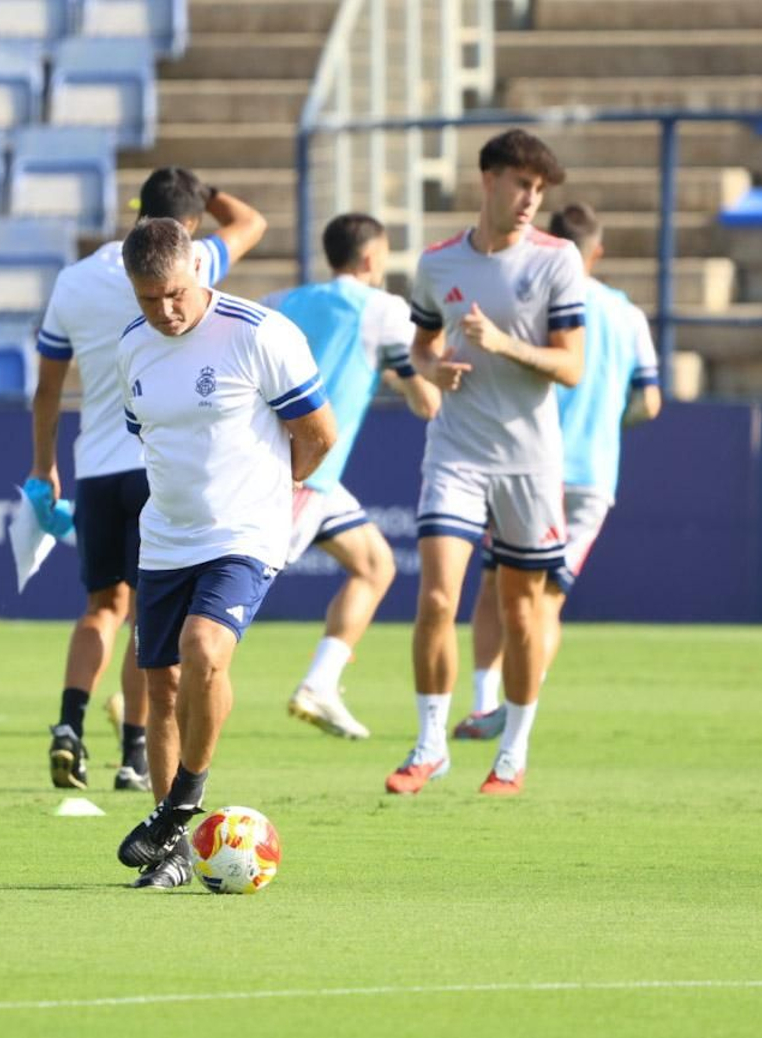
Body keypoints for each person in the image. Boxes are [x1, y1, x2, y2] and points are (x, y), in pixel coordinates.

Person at [113, 218, 336, 887]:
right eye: (149, 299)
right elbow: (148, 436)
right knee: (162, 687)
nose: (166, 310)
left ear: (199, 272)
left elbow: (318, 433)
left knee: (204, 648)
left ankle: (182, 803)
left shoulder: (258, 333)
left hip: (244, 533)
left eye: (176, 294)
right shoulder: (132, 349)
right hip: (164, 539)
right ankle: (173, 845)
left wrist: (278, 489)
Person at [31, 167, 266, 796]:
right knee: (149, 626)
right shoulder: (195, 263)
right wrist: (209, 188)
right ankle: (136, 752)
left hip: (98, 467)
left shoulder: (74, 279)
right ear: (186, 228)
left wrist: (42, 465)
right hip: (166, 465)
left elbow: (49, 385)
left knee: (100, 609)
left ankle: (69, 723)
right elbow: (252, 224)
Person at [395, 129, 586, 798]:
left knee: (523, 614)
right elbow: (418, 347)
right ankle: (428, 746)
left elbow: (572, 366)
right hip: (456, 452)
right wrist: (433, 368)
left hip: (529, 463)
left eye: (540, 189)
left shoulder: (557, 261)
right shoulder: (438, 264)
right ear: (489, 181)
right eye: (522, 185)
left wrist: (504, 344)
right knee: (437, 597)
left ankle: (512, 753)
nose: (532, 199)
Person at [454, 202, 662, 739]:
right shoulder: (627, 314)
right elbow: (650, 402)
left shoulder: (532, 297)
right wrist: (610, 422)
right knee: (546, 599)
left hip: (523, 465)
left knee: (497, 584)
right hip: (592, 474)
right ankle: (518, 712)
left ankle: (484, 703)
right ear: (597, 252)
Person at [269, 214, 440, 740]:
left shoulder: (282, 302)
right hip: (298, 478)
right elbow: (425, 401)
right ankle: (143, 693)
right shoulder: (384, 309)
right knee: (229, 598)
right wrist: (427, 384)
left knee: (376, 564)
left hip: (298, 470)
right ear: (371, 258)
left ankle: (320, 684)